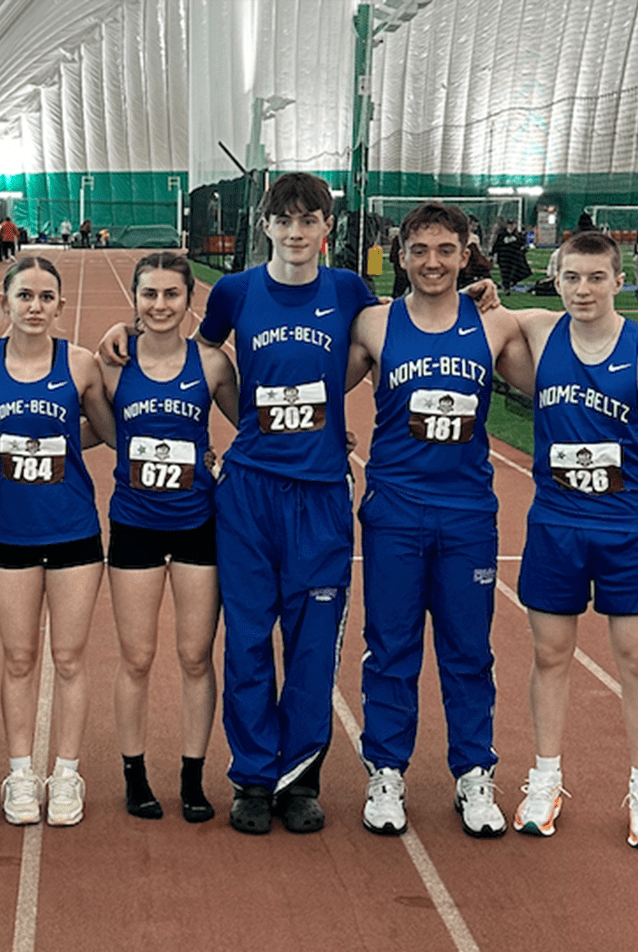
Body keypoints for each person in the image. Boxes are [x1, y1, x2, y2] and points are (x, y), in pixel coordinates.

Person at [105, 172, 377, 834]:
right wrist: (128, 330)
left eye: (309, 220)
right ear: (266, 226)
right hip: (250, 488)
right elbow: (192, 349)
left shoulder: (348, 291)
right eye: (284, 219)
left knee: (310, 643)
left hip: (318, 492)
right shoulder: (233, 292)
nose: (296, 231)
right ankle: (254, 776)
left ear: (326, 228)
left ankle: (301, 777)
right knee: (248, 639)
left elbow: (387, 338)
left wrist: (483, 301)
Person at [476, 230, 638, 850]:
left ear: (618, 281)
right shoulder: (543, 331)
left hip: (627, 529)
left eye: (596, 278)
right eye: (572, 277)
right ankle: (545, 780)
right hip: (555, 526)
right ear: (557, 277)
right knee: (550, 654)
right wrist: (487, 297)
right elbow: (488, 316)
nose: (583, 290)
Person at [347, 203, 533, 838]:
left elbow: (558, 364)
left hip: (467, 516)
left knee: (467, 651)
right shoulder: (374, 324)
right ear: (402, 256)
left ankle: (474, 774)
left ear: (466, 253)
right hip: (395, 512)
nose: (432, 262)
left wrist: (505, 301)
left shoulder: (493, 325)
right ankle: (387, 771)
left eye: (445, 250)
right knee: (390, 647)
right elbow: (311, 380)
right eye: (420, 250)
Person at [0, 256, 115, 827]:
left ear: (59, 306)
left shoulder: (78, 364)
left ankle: (68, 771)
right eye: (24, 296)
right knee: (19, 657)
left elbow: (106, 430)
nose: (35, 307)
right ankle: (21, 772)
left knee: (70, 658)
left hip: (75, 529)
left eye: (46, 297)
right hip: (11, 534)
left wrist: (60, 444)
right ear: (3, 302)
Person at [102, 252, 238, 822]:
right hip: (134, 522)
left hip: (196, 526)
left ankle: (192, 775)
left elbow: (254, 426)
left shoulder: (210, 363)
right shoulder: (110, 364)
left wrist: (225, 465)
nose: (160, 306)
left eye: (171, 295)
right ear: (134, 301)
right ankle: (135, 774)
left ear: (189, 302)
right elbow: (90, 427)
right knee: (136, 658)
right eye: (149, 295)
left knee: (195, 657)